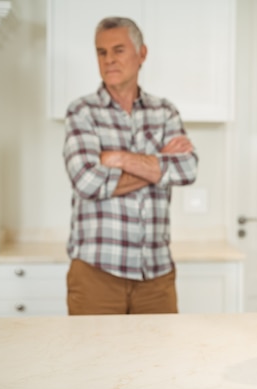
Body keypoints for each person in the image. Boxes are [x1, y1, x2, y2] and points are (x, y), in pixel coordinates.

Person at [62, 17, 198, 315]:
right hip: (97, 272)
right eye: (101, 52)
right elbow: (87, 181)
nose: (109, 59)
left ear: (142, 54)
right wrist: (160, 163)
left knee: (158, 361)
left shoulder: (164, 111)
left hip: (157, 275)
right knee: (94, 361)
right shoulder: (81, 112)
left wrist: (116, 158)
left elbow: (187, 169)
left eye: (118, 50)